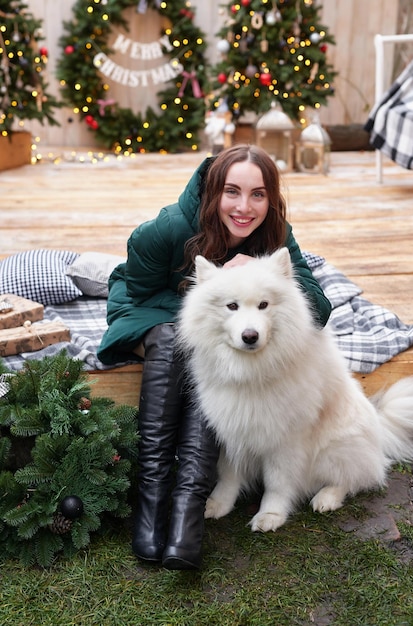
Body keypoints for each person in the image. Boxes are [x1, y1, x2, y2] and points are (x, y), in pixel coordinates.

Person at [97, 144, 332, 571]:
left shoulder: (276, 231)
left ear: (270, 198)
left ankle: (187, 509)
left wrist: (253, 271)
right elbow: (139, 294)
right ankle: (153, 505)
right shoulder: (167, 228)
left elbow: (317, 304)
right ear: (212, 191)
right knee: (176, 342)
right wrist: (212, 291)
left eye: (258, 194)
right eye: (232, 192)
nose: (245, 207)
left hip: (223, 314)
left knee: (218, 363)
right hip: (147, 305)